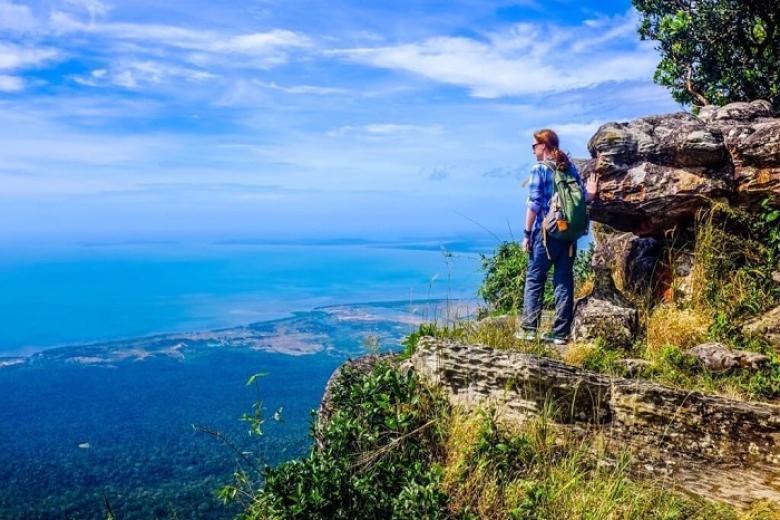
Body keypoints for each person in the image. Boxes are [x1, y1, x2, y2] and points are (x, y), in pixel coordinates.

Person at [517, 129, 597, 345]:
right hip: (569, 235)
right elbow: (582, 199)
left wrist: (526, 234)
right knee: (563, 280)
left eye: (534, 146)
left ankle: (529, 330)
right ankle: (560, 333)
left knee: (535, 279)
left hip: (546, 233)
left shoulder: (539, 169)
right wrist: (591, 193)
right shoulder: (568, 167)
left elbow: (533, 204)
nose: (532, 150)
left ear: (544, 146)